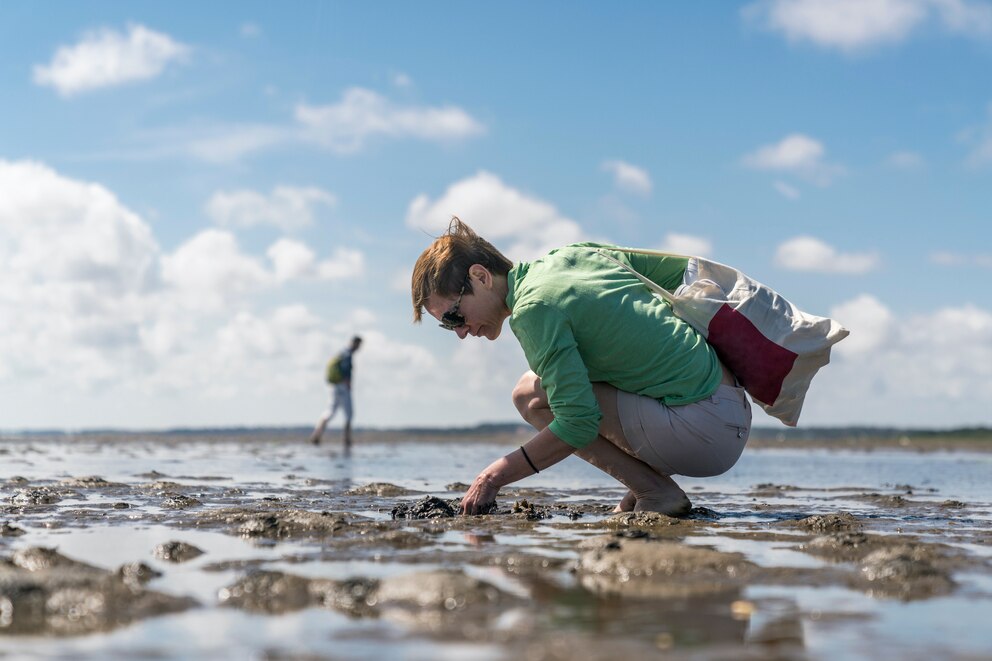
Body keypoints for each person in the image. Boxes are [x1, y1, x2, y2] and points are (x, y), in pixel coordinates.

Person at [411, 218, 751, 517]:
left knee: (530, 396)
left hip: (704, 433)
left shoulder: (533, 309)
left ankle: (653, 490)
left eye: (454, 316)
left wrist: (493, 476)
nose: (459, 332)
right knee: (554, 381)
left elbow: (578, 423)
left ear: (480, 276)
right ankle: (643, 487)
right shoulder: (573, 256)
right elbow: (680, 273)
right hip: (732, 403)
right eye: (447, 325)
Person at [309, 335, 363, 450]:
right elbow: (345, 370)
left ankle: (316, 435)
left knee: (330, 411)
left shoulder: (341, 353)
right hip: (342, 386)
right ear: (355, 343)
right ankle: (347, 440)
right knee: (349, 413)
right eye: (359, 345)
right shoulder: (347, 355)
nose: (359, 348)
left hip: (333, 386)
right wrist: (348, 383)